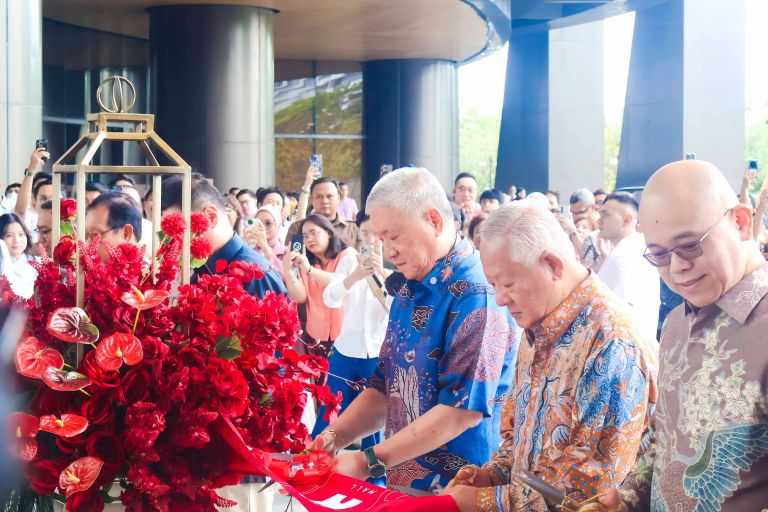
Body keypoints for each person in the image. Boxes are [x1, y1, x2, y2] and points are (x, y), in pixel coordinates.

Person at [311, 167, 519, 493]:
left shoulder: (476, 292)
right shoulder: (409, 287)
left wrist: (368, 461)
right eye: (381, 240)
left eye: (394, 237)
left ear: (434, 221)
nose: (388, 252)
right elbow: (384, 385)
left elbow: (461, 411)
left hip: (459, 489)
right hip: (405, 480)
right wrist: (331, 438)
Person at [443, 201, 658, 512]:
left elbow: (588, 489)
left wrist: (482, 502)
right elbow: (517, 441)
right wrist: (489, 477)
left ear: (553, 265)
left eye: (508, 284)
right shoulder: (537, 323)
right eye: (493, 285)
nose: (500, 299)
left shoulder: (612, 341)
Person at [582, 160, 768, 512]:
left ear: (742, 222)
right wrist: (626, 499)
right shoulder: (674, 325)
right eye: (659, 254)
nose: (677, 267)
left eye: (690, 245)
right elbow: (666, 445)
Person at [311, 212, 391, 470]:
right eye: (365, 233)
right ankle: (314, 466)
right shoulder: (349, 260)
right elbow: (330, 298)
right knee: (329, 412)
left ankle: (375, 476)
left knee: (373, 423)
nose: (371, 239)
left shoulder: (395, 264)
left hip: (376, 352)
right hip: (346, 350)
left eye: (376, 234)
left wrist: (381, 274)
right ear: (358, 234)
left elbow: (397, 308)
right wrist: (355, 276)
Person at [161, 176, 286, 299]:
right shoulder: (199, 270)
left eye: (177, 229)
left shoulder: (256, 275)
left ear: (210, 217)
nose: (171, 240)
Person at [283, 214, 355, 358]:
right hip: (316, 334)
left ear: (328, 233)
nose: (309, 239)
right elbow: (301, 298)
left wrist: (309, 270)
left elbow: (342, 283)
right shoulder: (305, 262)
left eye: (314, 233)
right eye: (305, 236)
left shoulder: (347, 255)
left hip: (347, 333)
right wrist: (288, 272)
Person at [596, 192, 660, 339]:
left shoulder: (623, 256)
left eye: (605, 214)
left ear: (627, 220)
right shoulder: (639, 246)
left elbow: (622, 316)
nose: (599, 221)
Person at [285, 168, 359, 248]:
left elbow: (363, 253)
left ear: (338, 198)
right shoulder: (298, 228)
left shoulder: (352, 229)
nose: (324, 201)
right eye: (319, 197)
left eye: (329, 196)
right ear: (312, 200)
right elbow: (292, 254)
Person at [85, 192, 143, 263]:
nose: (87, 246)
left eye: (95, 235)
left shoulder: (152, 270)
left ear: (126, 233)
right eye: (86, 237)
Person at [560, 188, 602, 271]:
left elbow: (588, 255)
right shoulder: (570, 222)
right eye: (573, 212)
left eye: (580, 212)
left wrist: (573, 231)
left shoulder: (602, 226)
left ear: (593, 207)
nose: (576, 216)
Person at [0, 213, 38, 299]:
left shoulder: (38, 263)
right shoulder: (2, 267)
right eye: (9, 235)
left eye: (20, 234)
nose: (16, 240)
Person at [243, 205, 286, 279]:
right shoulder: (250, 249)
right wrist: (244, 246)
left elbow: (284, 278)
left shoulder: (285, 251)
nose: (262, 227)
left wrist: (265, 248)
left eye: (268, 223)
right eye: (258, 223)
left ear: (277, 225)